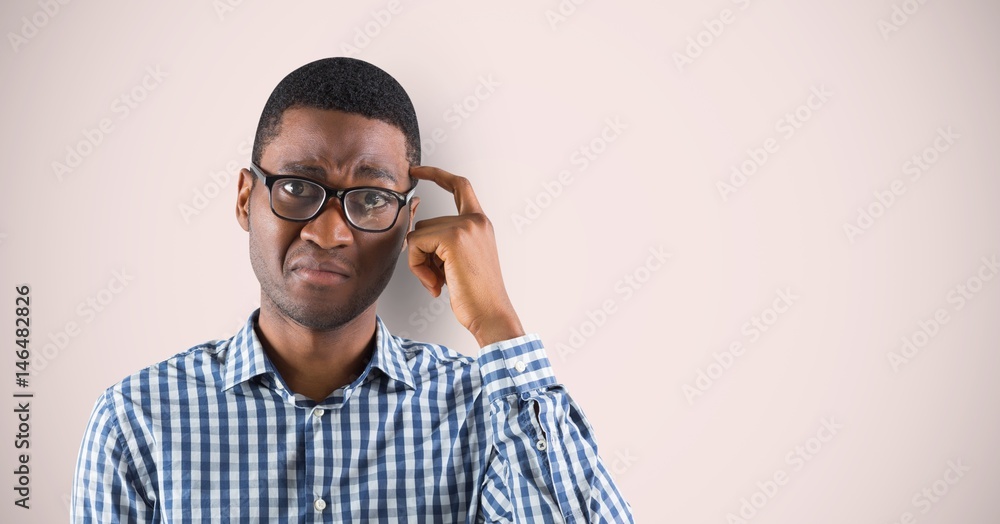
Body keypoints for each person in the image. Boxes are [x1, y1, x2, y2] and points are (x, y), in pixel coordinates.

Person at [72, 57, 634, 523]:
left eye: (369, 198)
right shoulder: (138, 420)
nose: (328, 231)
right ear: (246, 198)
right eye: (296, 187)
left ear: (409, 221)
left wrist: (497, 323)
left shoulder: (484, 413)